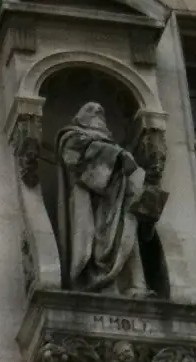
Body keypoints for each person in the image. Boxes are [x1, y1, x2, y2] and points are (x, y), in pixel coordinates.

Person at [55, 99, 147, 296]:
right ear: (80, 118)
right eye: (90, 110)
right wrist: (118, 156)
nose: (96, 112)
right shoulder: (71, 137)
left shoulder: (115, 146)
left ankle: (131, 285)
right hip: (91, 201)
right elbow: (75, 160)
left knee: (127, 238)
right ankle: (98, 282)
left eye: (100, 111)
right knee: (95, 242)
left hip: (120, 201)